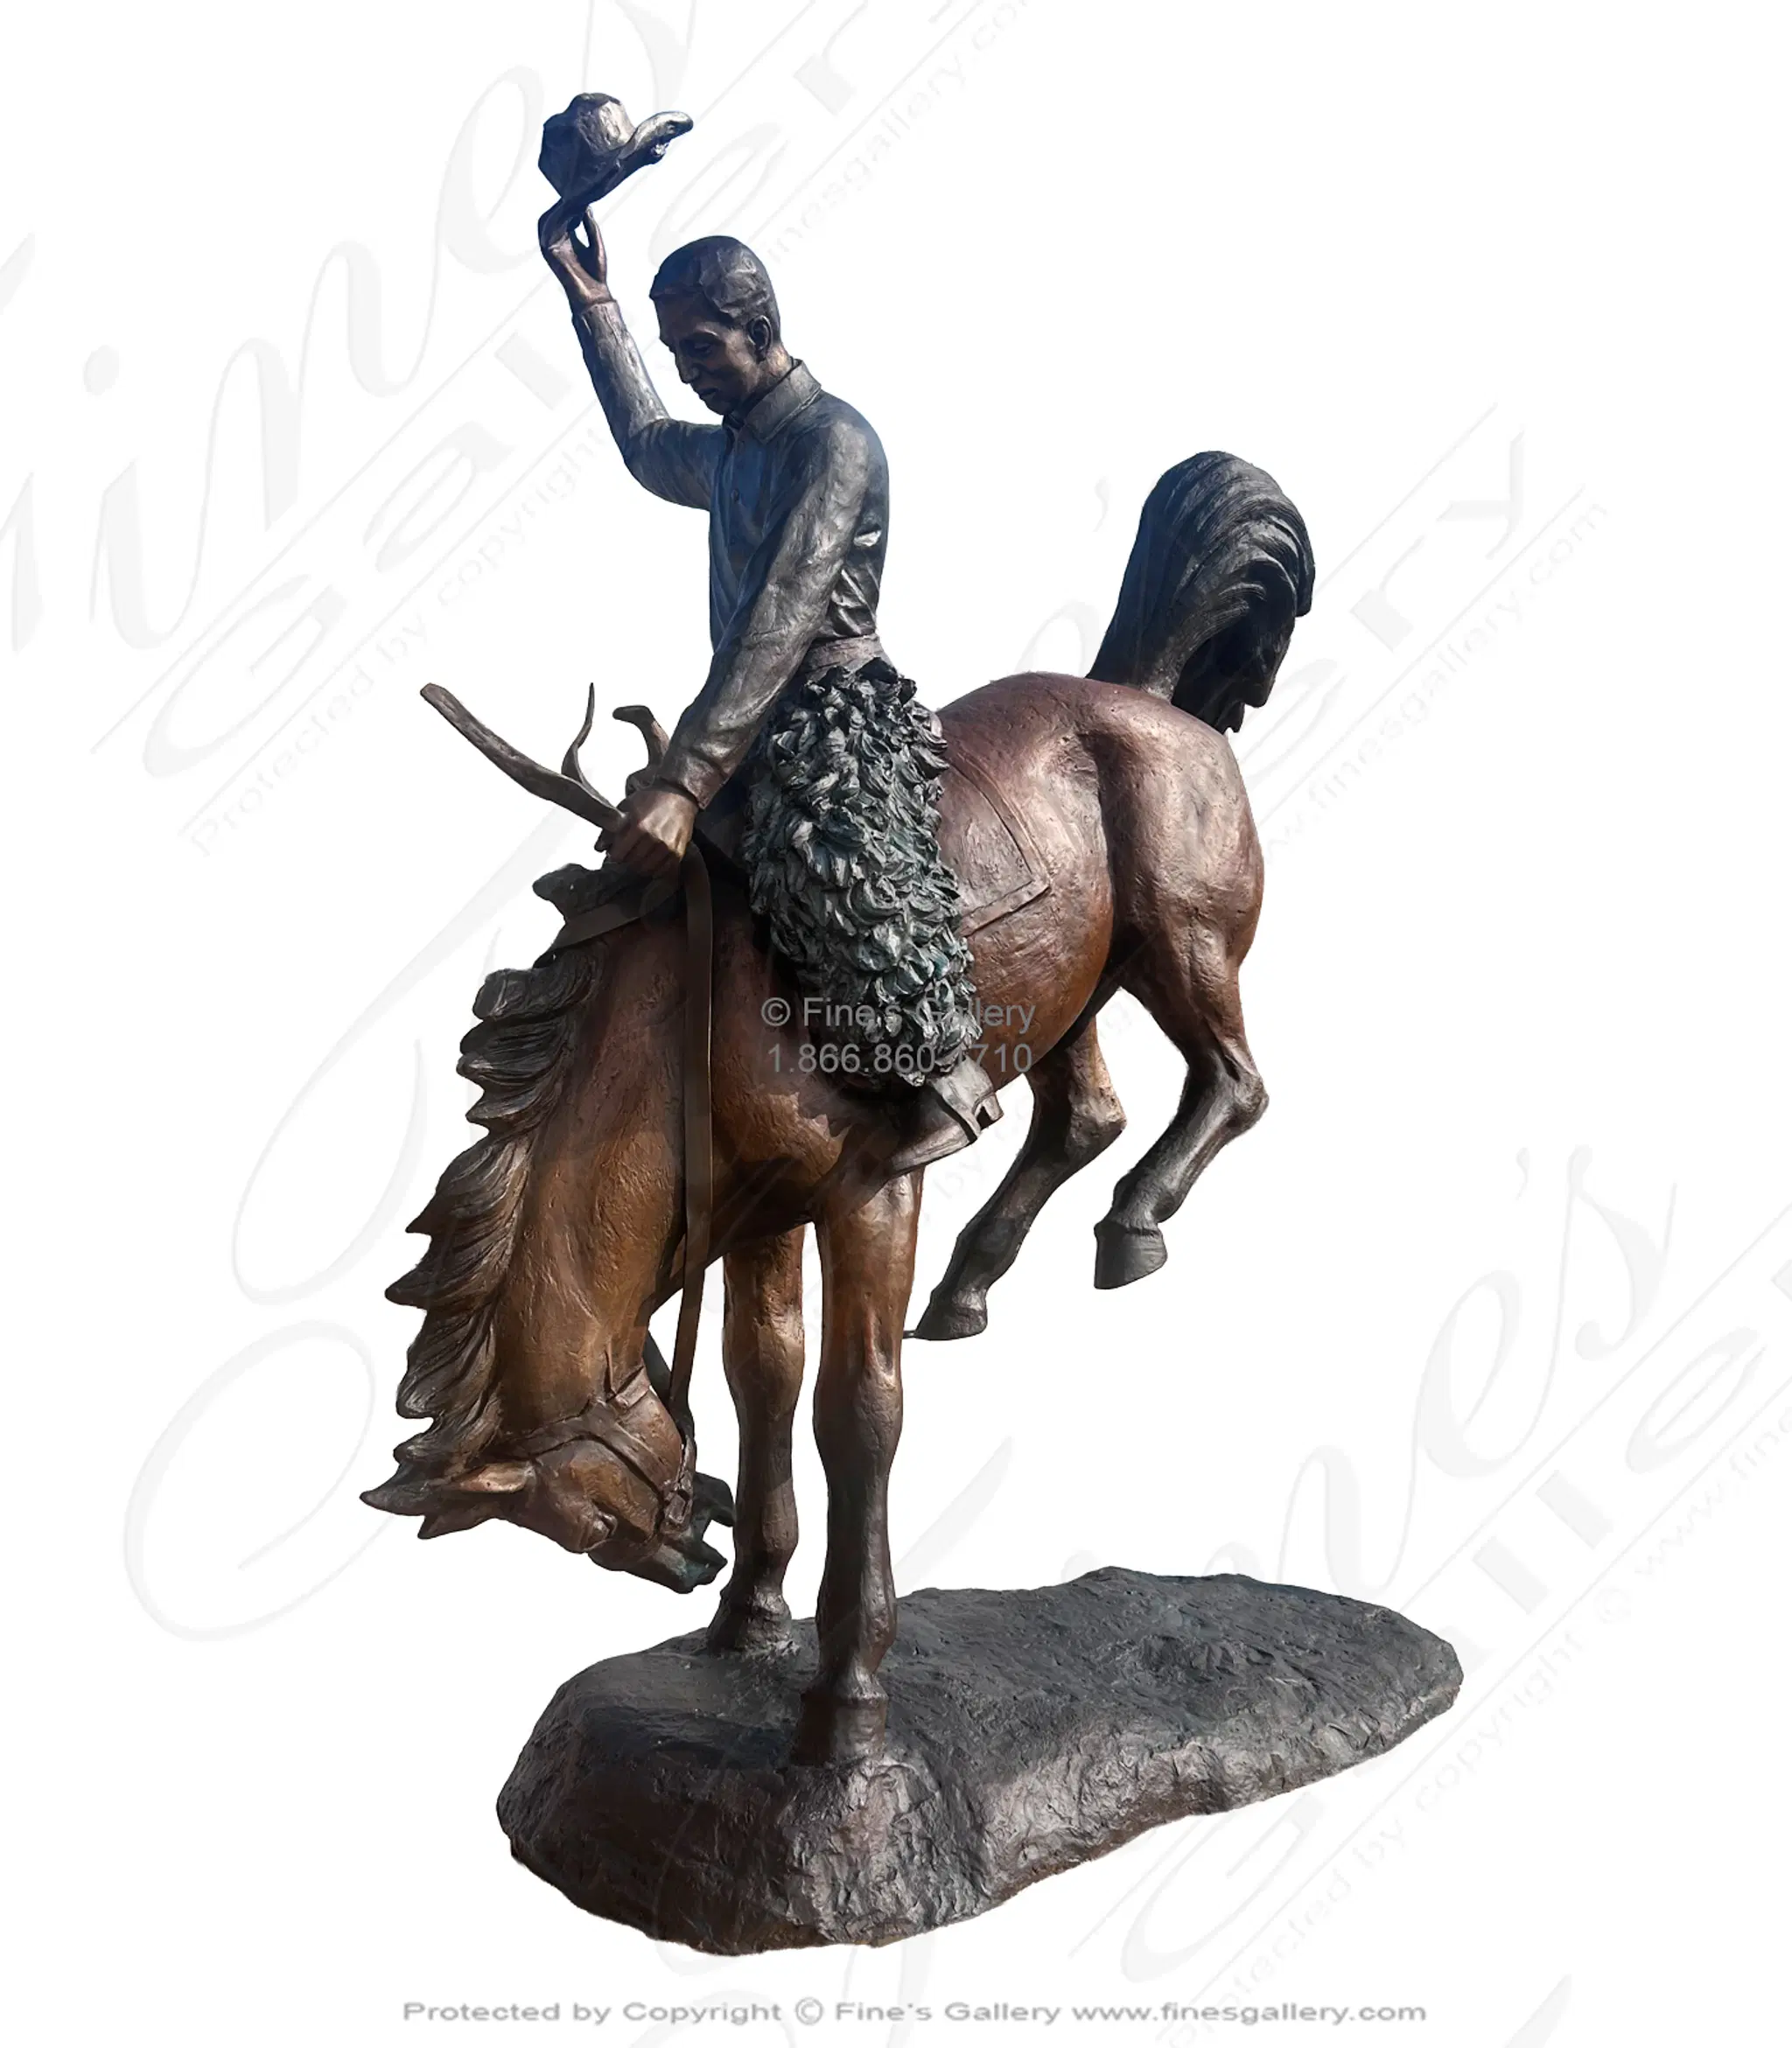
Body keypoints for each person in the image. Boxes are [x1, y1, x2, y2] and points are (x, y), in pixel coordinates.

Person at [537, 196, 999, 1171]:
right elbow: (643, 443)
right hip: (748, 719)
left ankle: (944, 1075)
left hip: (838, 712)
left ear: (758, 330)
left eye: (701, 349)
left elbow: (779, 620)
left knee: (837, 867)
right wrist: (594, 307)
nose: (687, 371)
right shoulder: (732, 449)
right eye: (677, 353)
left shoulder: (833, 443)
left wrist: (682, 782)